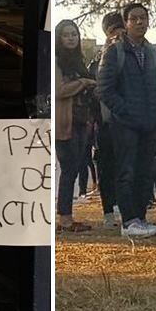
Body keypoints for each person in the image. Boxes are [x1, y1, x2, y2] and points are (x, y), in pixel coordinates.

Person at [98, 3, 156, 238]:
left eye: (143, 18)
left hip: (150, 123)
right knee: (126, 171)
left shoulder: (153, 53)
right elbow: (104, 89)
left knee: (145, 172)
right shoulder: (115, 52)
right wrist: (125, 110)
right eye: (134, 18)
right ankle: (129, 221)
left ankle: (141, 218)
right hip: (125, 124)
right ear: (126, 23)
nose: (140, 22)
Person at [54, 19, 96, 232]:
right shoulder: (57, 61)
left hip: (82, 121)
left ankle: (67, 216)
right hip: (65, 122)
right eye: (66, 34)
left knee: (76, 167)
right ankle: (64, 218)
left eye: (74, 34)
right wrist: (84, 83)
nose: (71, 38)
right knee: (69, 169)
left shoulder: (78, 60)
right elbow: (59, 90)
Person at [91, 11, 126, 228]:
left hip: (126, 122)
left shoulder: (131, 56)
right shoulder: (97, 63)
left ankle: (124, 208)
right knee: (106, 168)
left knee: (126, 167)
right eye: (114, 31)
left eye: (121, 30)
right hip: (105, 124)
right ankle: (108, 211)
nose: (119, 35)